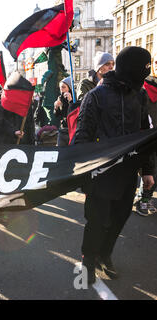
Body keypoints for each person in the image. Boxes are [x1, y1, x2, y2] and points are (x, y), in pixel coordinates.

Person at [73, 46, 154, 285]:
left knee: (120, 218)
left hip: (128, 173)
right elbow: (82, 138)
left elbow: (145, 134)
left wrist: (148, 170)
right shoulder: (95, 96)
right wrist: (82, 174)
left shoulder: (139, 96)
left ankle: (104, 254)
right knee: (97, 221)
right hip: (101, 174)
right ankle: (88, 262)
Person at [136, 53, 157, 216]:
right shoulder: (143, 85)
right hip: (148, 133)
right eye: (155, 62)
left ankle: (147, 197)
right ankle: (142, 199)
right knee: (149, 167)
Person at [53, 76, 73, 146]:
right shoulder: (60, 97)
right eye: (60, 87)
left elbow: (74, 112)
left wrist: (70, 101)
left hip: (72, 128)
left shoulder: (74, 96)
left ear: (69, 87)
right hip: (63, 128)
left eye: (64, 87)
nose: (61, 89)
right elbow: (57, 115)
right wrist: (56, 107)